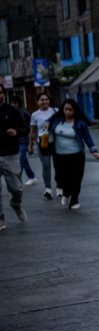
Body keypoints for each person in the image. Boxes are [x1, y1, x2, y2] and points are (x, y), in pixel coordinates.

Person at [47, 99, 99, 210]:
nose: (67, 112)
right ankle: (66, 193)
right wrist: (46, 126)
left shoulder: (79, 123)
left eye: (70, 110)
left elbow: (87, 137)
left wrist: (94, 151)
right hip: (59, 155)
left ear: (74, 110)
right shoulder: (56, 120)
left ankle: (75, 199)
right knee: (62, 178)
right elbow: (47, 124)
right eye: (65, 109)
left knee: (76, 178)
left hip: (76, 155)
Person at [0, 84, 30, 231]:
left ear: (4, 94)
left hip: (10, 154)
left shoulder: (13, 111)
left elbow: (26, 129)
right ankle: (0, 218)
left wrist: (16, 131)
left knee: (16, 188)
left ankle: (16, 205)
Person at [29, 93, 57, 198]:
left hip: (55, 141)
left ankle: (59, 186)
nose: (45, 101)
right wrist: (30, 145)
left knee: (57, 164)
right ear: (38, 102)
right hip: (43, 141)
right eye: (42, 100)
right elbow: (32, 131)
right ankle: (48, 189)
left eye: (46, 99)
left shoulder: (55, 111)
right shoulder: (35, 115)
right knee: (46, 165)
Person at [16, 96, 36, 187]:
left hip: (24, 141)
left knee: (20, 160)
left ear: (17, 103)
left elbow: (31, 127)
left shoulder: (24, 114)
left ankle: (17, 182)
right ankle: (31, 176)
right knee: (23, 160)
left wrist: (31, 142)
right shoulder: (12, 113)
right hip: (16, 141)